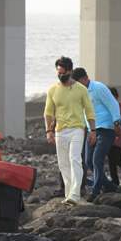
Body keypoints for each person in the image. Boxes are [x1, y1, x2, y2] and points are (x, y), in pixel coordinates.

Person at [44, 57, 96, 205]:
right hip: (60, 131)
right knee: (63, 164)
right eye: (58, 73)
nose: (60, 76)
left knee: (75, 159)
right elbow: (48, 112)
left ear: (70, 71)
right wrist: (49, 131)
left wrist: (93, 130)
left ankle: (75, 193)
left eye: (63, 72)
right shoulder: (53, 90)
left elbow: (89, 112)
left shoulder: (81, 89)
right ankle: (69, 194)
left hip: (77, 129)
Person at [72, 67, 121, 202]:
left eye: (77, 83)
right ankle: (110, 186)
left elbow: (113, 104)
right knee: (88, 161)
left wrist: (117, 122)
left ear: (84, 78)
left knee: (97, 160)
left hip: (106, 128)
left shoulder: (99, 88)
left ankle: (95, 191)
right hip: (91, 130)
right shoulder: (80, 93)